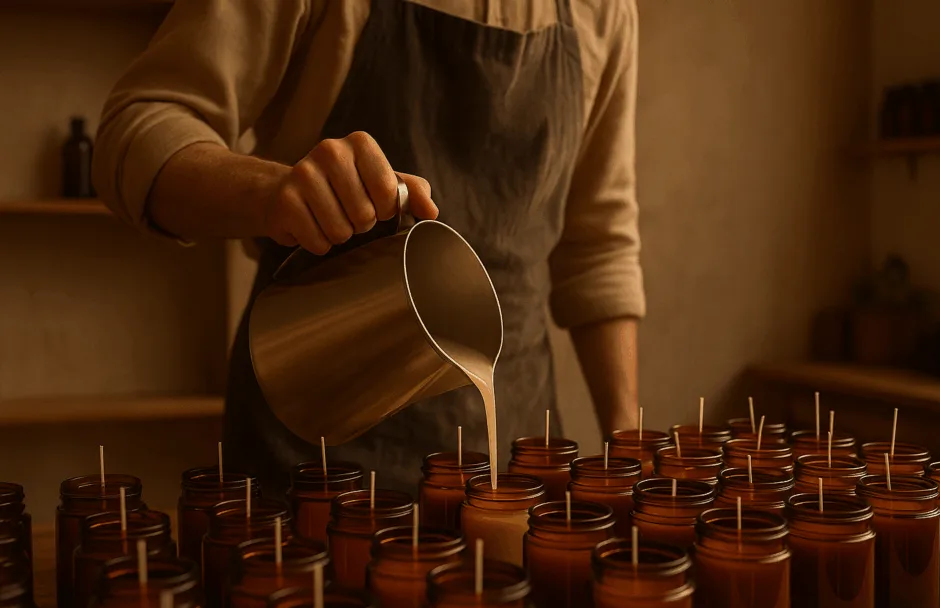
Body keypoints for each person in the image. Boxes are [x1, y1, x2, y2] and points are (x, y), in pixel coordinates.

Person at [93, 0, 645, 497]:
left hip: (510, 449)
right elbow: (137, 129)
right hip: (315, 449)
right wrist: (273, 193)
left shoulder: (607, 13)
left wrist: (628, 444)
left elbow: (598, 242)